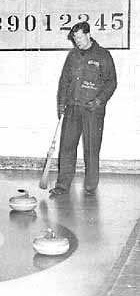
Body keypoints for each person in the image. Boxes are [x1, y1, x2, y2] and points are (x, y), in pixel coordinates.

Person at [50, 21, 117, 196]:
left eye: (79, 37)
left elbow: (111, 82)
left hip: (92, 110)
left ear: (88, 34)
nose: (77, 41)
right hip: (72, 107)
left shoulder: (103, 55)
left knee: (91, 148)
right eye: (74, 38)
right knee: (66, 147)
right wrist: (61, 103)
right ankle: (62, 186)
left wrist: (99, 101)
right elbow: (64, 81)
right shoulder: (72, 56)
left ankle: (90, 186)